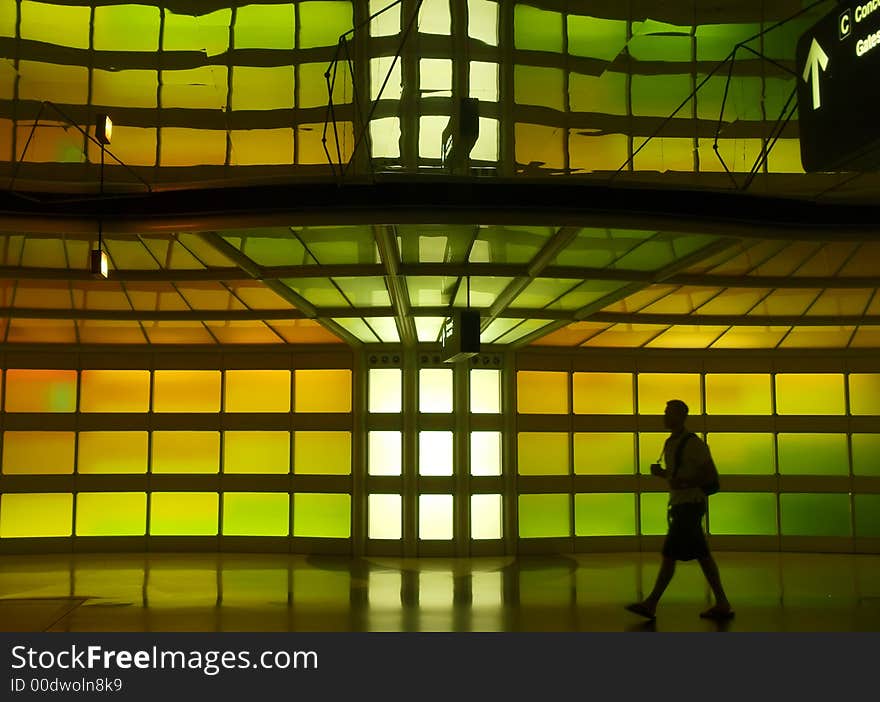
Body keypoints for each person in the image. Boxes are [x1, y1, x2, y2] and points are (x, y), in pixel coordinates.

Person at [625, 399, 734, 621]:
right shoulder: (671, 443)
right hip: (683, 506)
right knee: (700, 556)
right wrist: (663, 474)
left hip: (688, 507)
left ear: (680, 416)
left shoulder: (693, 444)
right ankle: (721, 602)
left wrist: (682, 483)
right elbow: (678, 477)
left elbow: (710, 476)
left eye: (669, 413)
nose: (664, 417)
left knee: (670, 555)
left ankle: (651, 603)